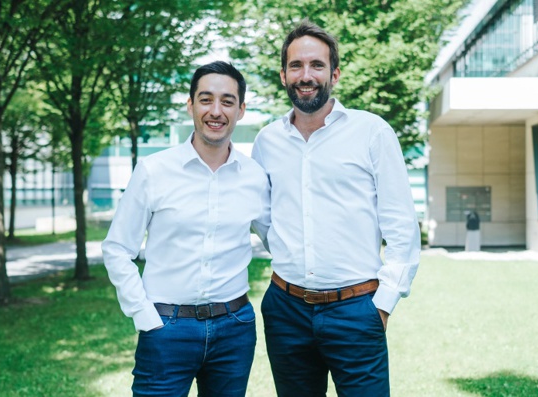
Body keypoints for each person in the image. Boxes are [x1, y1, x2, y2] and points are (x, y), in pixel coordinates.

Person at [251, 20, 420, 396]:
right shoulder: (266, 141)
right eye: (295, 66)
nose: (305, 75)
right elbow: (264, 219)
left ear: (335, 73)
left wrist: (383, 305)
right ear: (283, 75)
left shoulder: (372, 132)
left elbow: (401, 224)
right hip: (285, 309)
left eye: (316, 65)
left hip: (357, 309)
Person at [102, 61, 270, 397]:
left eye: (227, 101)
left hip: (234, 329)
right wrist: (144, 315)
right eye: (206, 99)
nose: (216, 111)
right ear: (190, 104)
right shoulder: (153, 171)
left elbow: (282, 241)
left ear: (241, 110)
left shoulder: (254, 176)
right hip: (166, 328)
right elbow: (117, 249)